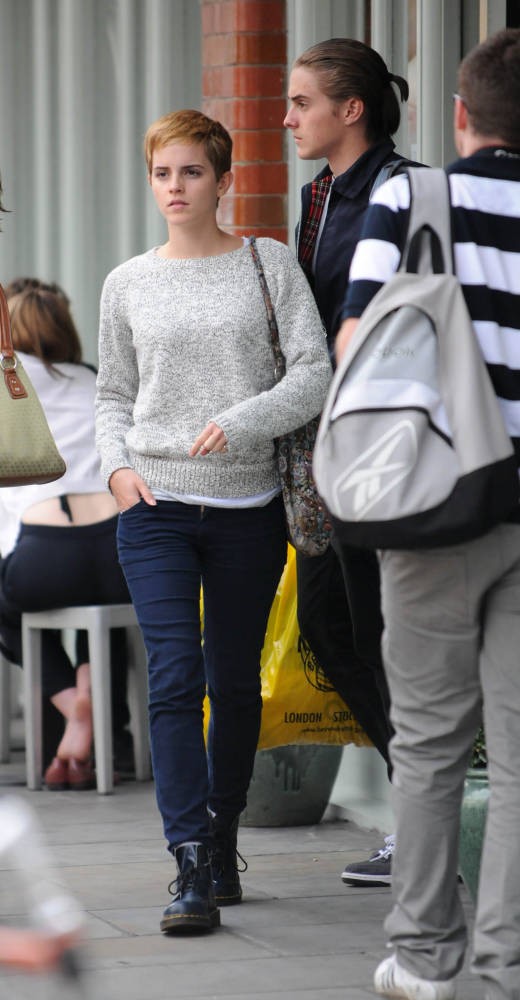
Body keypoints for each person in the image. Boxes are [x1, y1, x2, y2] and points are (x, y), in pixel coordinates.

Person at [94, 108, 331, 935]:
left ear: (224, 181)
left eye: (192, 172)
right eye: (163, 173)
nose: (175, 188)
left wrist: (243, 421)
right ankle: (189, 856)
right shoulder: (127, 281)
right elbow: (112, 395)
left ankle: (224, 832)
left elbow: (314, 372)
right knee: (173, 677)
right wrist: (118, 470)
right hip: (153, 505)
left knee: (233, 684)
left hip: (246, 508)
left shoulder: (267, 265)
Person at [336, 27, 520, 1000]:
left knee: (431, 740)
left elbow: (359, 336)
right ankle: (506, 966)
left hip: (438, 499)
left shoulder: (414, 193)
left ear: (461, 115)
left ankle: (423, 958)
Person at [284, 36, 415, 886]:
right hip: (324, 449)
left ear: (350, 109)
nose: (288, 116)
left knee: (380, 631)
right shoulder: (318, 195)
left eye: (301, 103)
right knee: (334, 630)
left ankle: (423, 822)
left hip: (387, 449)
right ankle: (424, 808)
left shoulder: (404, 191)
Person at [0, 280, 133, 789]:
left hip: (42, 551)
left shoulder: (7, 379)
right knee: (109, 625)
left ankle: (70, 704)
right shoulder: (92, 381)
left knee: (8, 607)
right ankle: (95, 700)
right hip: (113, 546)